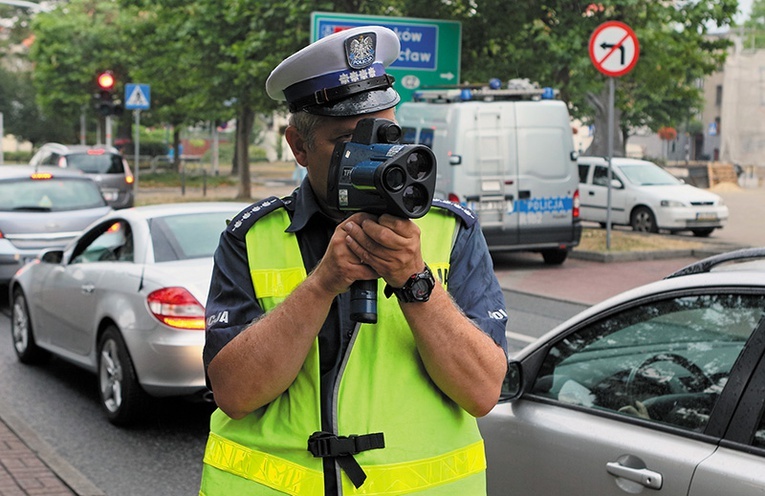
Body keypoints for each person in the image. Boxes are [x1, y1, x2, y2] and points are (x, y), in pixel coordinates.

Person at [199, 25, 508, 495]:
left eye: (386, 134)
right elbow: (235, 395)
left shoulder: (452, 232)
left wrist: (415, 280)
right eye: (348, 142)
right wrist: (322, 284)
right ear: (298, 147)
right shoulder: (251, 237)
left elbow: (483, 391)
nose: (378, 156)